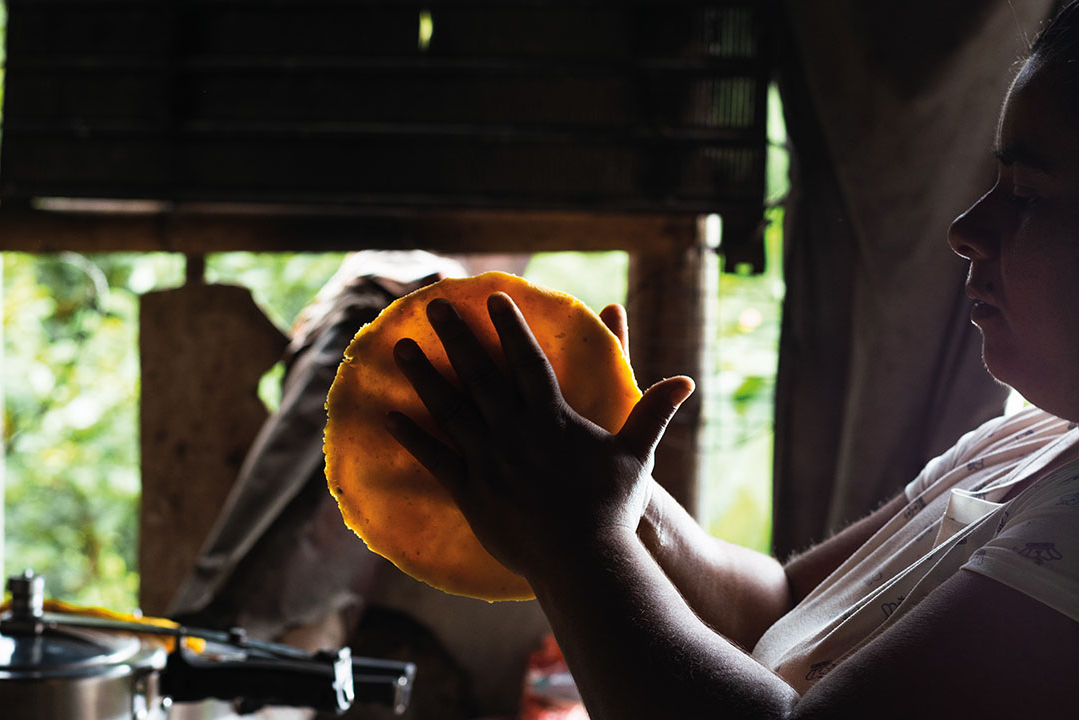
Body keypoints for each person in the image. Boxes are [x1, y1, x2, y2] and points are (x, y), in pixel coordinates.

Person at [383, 6, 1079, 718]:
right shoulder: (1025, 439)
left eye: (1026, 197)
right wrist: (612, 487)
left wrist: (577, 546)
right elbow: (777, 605)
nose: (966, 230)